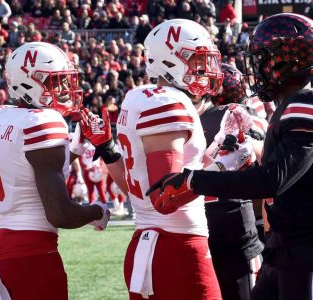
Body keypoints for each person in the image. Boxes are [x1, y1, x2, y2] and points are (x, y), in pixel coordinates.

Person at [147, 13, 313, 299]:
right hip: (283, 251)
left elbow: (273, 178)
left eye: (261, 58)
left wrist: (193, 181)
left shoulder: (311, 103)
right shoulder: (291, 107)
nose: (256, 67)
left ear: (283, 61)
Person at [79, 19, 225, 299]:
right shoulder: (168, 103)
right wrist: (224, 167)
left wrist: (108, 150)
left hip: (147, 245)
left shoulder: (138, 97)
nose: (204, 69)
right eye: (197, 60)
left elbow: (140, 188)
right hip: (178, 249)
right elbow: (164, 197)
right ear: (171, 61)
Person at [0, 42, 109, 300]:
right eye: (56, 81)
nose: (65, 89)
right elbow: (60, 214)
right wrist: (97, 211)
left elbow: (32, 169)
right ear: (31, 83)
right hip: (32, 255)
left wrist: (76, 146)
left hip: (2, 250)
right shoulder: (42, 121)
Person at [199, 63, 266, 300]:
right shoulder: (239, 114)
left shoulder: (188, 120)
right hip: (234, 227)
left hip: (194, 229)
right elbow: (266, 156)